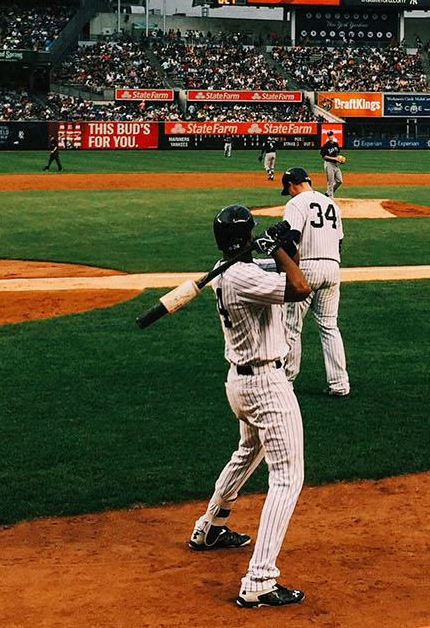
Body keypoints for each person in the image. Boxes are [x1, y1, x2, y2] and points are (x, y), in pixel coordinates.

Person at [190, 204, 311, 609]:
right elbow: (300, 287)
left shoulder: (225, 269)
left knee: (248, 452)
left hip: (239, 384)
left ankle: (210, 526)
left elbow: (276, 266)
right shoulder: (243, 277)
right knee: (288, 477)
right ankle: (259, 579)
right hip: (265, 386)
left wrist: (283, 246)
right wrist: (279, 249)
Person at [279, 167, 350, 397]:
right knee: (330, 327)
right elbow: (339, 242)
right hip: (333, 267)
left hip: (307, 268)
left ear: (292, 185)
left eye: (287, 189)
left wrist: (286, 268)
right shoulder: (332, 204)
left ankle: (286, 382)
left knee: (291, 327)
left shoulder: (296, 204)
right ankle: (340, 384)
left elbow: (292, 241)